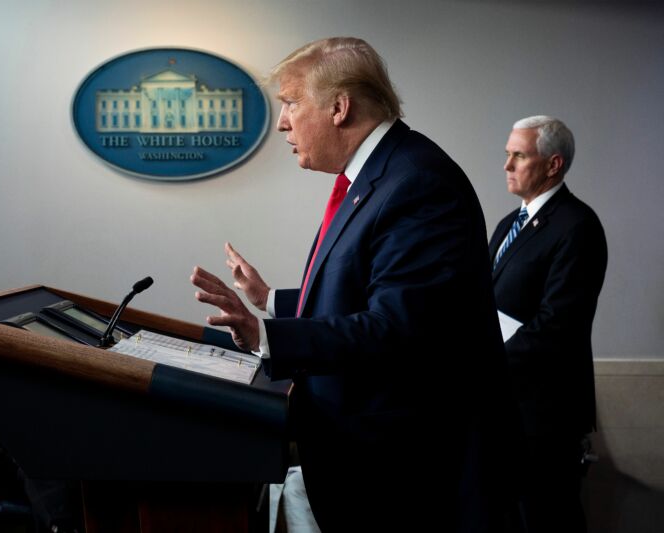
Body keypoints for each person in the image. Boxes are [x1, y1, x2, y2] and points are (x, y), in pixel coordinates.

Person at [191, 37, 510, 532]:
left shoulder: (418, 183)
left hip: (402, 477)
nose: (281, 122)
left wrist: (264, 337)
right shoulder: (376, 177)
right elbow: (366, 293)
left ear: (339, 107)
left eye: (292, 103)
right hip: (363, 462)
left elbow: (396, 328)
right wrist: (268, 300)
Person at [489, 116, 608, 532]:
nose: (506, 165)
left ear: (553, 164)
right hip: (506, 408)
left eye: (518, 155)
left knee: (546, 520)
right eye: (508, 154)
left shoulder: (577, 226)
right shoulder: (509, 225)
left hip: (545, 416)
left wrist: (486, 357)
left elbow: (557, 327)